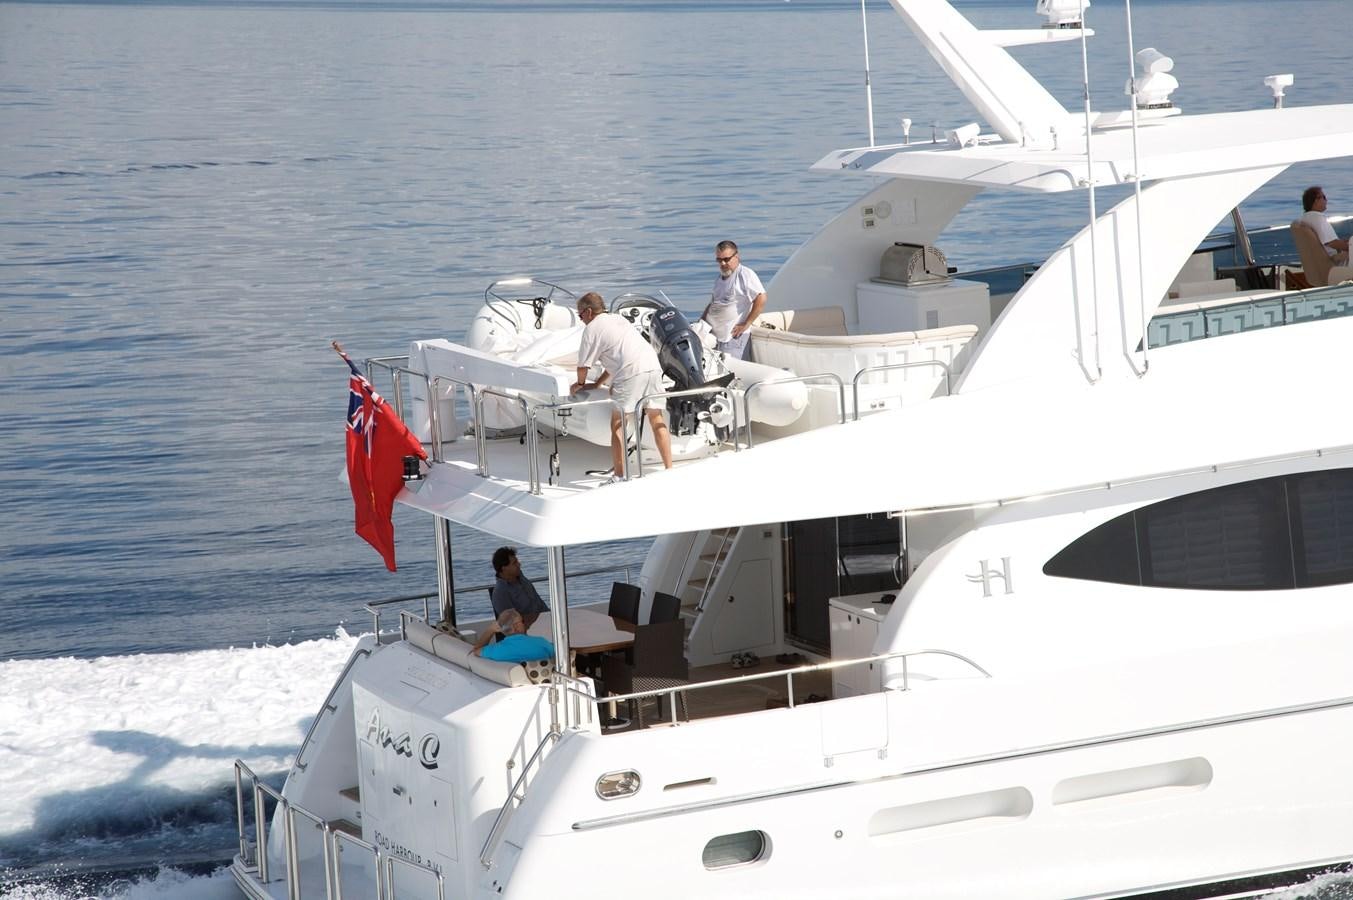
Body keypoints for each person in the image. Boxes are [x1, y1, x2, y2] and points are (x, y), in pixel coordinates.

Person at [570, 291, 673, 481]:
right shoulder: (618, 319)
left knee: (618, 424)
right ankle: (670, 469)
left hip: (631, 373)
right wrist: (599, 384)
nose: (581, 319)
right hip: (652, 367)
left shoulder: (592, 329)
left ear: (589, 312)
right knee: (656, 418)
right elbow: (617, 358)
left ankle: (619, 475)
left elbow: (583, 366)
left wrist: (580, 384)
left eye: (580, 314)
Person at [701, 240, 766, 359]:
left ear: (736, 256)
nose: (723, 263)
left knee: (735, 375)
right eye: (719, 260)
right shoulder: (720, 278)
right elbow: (713, 304)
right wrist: (702, 322)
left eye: (726, 259)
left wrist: (747, 323)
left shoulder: (744, 274)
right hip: (715, 338)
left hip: (733, 339)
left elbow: (761, 298)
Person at [491, 546, 548, 627]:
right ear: (504, 568)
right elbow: (511, 623)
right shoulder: (500, 593)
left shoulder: (521, 578)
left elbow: (538, 602)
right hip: (528, 629)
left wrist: (550, 615)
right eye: (514, 563)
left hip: (544, 620)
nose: (519, 564)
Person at [473, 609, 555, 662]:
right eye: (522, 621)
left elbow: (476, 650)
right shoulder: (541, 643)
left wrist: (490, 630)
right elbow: (562, 654)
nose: (524, 623)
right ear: (516, 627)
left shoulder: (496, 650)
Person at [1301, 186, 1350, 263]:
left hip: (1322, 260)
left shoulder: (1306, 218)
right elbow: (1332, 243)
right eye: (1324, 197)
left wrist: (1348, 242)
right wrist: (1350, 247)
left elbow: (1326, 241)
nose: (1326, 200)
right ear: (1316, 200)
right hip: (1334, 260)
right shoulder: (1318, 218)